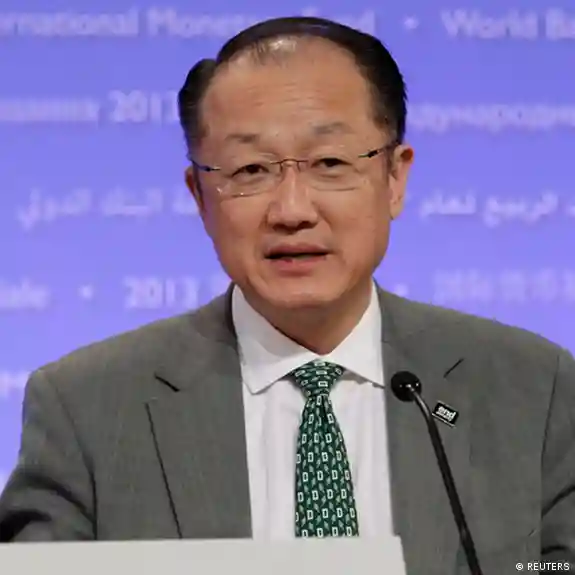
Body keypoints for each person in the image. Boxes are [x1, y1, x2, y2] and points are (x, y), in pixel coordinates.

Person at [1, 15, 574, 574]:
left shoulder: (534, 388)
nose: (292, 211)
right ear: (200, 196)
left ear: (395, 178)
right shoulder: (87, 409)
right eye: (251, 170)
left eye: (330, 163)